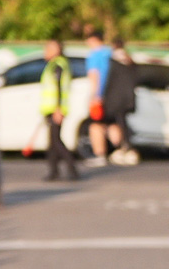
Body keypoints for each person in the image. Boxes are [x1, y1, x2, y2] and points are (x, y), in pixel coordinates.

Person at [38, 37, 78, 182]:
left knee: (56, 141)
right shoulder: (53, 64)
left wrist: (58, 109)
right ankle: (54, 171)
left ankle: (72, 169)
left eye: (48, 48)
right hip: (51, 108)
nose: (45, 51)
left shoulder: (58, 65)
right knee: (52, 142)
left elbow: (59, 88)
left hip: (56, 109)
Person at [101, 40, 139, 165]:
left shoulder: (113, 61)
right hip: (127, 99)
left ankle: (124, 148)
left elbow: (108, 81)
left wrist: (103, 97)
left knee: (118, 124)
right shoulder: (129, 61)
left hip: (115, 99)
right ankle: (125, 147)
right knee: (123, 123)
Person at [82, 30, 111, 168]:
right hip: (113, 95)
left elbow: (94, 75)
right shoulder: (110, 53)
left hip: (100, 96)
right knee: (111, 124)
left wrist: (95, 96)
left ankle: (100, 155)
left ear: (93, 40)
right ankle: (121, 150)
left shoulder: (94, 55)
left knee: (95, 125)